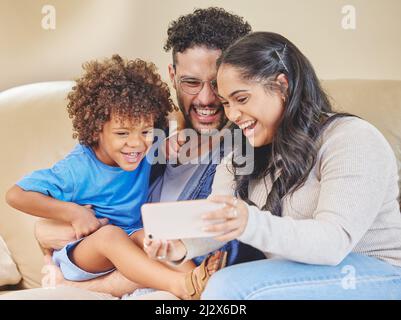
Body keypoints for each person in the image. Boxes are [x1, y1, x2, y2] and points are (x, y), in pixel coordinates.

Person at [1, 7, 260, 300]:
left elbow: (224, 251)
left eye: (216, 83)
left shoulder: (246, 156)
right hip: (101, 252)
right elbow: (43, 227)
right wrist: (66, 221)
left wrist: (72, 285)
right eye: (191, 82)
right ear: (172, 76)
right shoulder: (150, 136)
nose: (205, 98)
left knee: (146, 238)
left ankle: (189, 283)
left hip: (151, 268)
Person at [145, 32, 401, 299]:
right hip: (299, 273)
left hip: (377, 273)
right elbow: (217, 222)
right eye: (226, 103)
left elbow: (333, 244)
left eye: (241, 99)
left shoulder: (351, 138)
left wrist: (249, 222)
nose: (232, 114)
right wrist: (181, 247)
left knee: (228, 286)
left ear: (282, 86)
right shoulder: (241, 154)